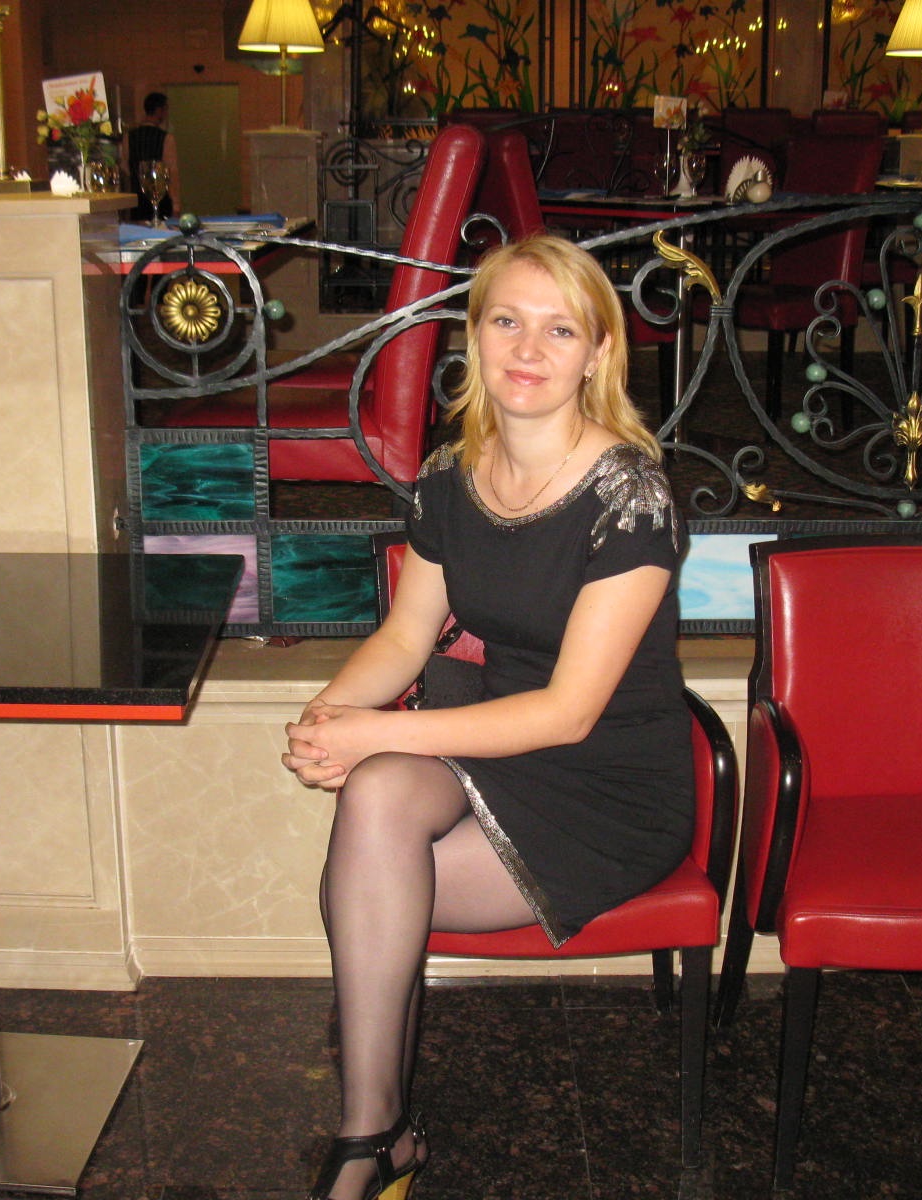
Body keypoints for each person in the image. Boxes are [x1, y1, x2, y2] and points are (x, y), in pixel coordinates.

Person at [282, 235, 693, 1200]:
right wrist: (329, 713)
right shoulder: (448, 475)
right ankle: (373, 1131)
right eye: (507, 320)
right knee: (376, 806)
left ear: (598, 354)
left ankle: (374, 1142)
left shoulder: (631, 496)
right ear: (475, 336)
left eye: (561, 330)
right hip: (494, 746)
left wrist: (376, 731)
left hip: (607, 786)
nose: (528, 348)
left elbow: (568, 712)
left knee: (362, 885)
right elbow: (405, 635)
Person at [126, 91, 179, 220]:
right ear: (160, 110)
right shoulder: (166, 138)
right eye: (166, 109)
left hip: (136, 199)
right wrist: (176, 204)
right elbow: (171, 172)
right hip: (161, 200)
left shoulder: (129, 137)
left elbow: (126, 168)